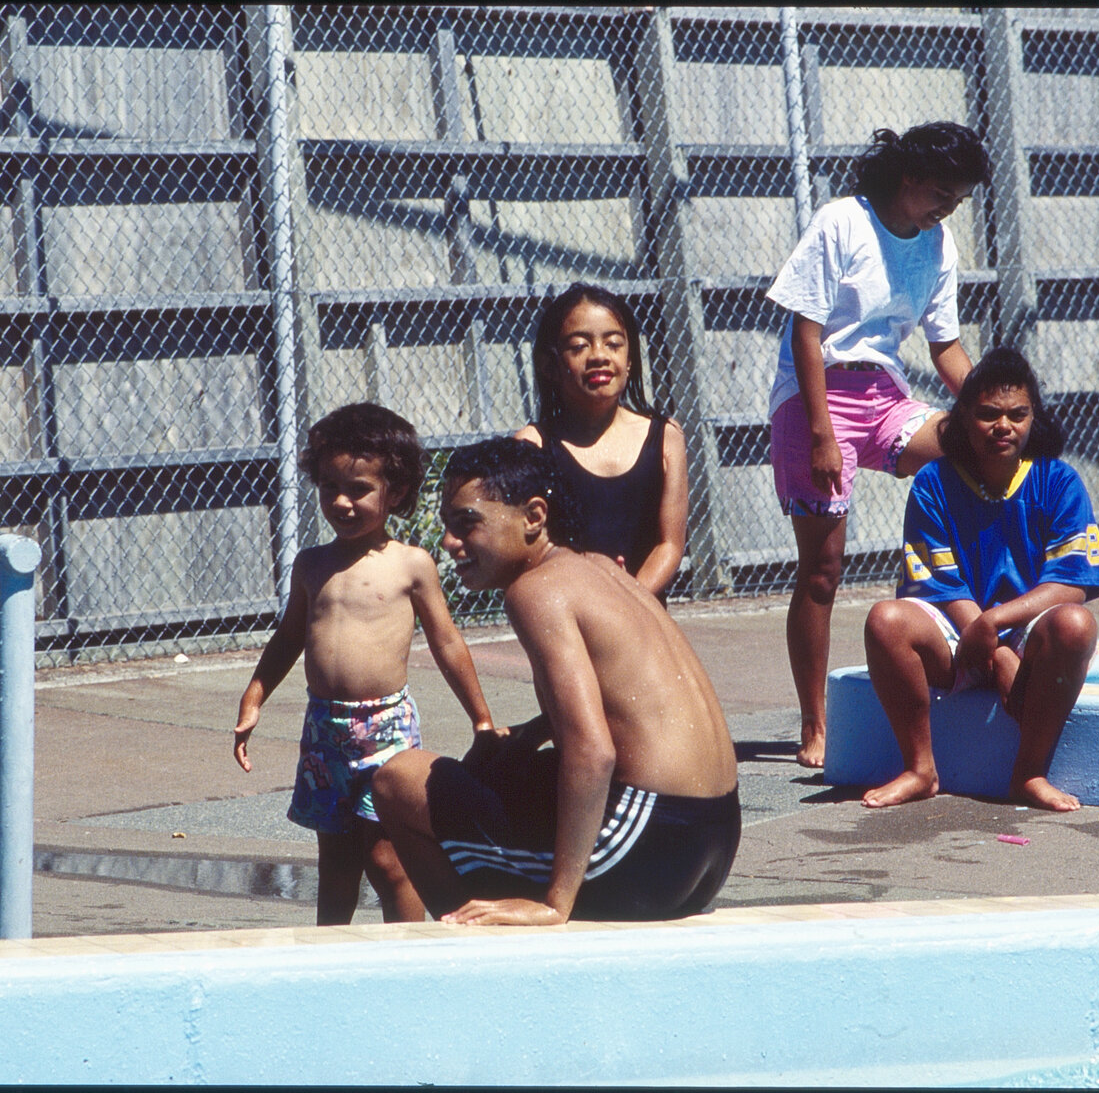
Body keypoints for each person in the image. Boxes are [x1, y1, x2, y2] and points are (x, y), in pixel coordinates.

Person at [371, 438, 740, 925]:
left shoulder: (535, 592)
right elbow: (620, 703)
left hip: (643, 851)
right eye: (446, 525)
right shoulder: (600, 568)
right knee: (501, 771)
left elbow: (593, 750)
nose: (448, 543)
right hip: (713, 840)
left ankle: (466, 941)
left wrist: (554, 903)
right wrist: (526, 738)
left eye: (466, 523)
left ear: (534, 516)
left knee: (399, 780)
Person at [766, 121, 990, 768]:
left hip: (884, 397)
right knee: (822, 569)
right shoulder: (842, 222)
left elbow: (945, 347)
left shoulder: (937, 243)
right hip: (814, 398)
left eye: (958, 200)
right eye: (942, 194)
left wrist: (993, 406)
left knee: (974, 453)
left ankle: (923, 635)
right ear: (909, 176)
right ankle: (815, 723)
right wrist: (821, 435)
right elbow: (805, 333)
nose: (948, 210)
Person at [232, 403, 497, 925]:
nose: (341, 501)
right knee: (335, 862)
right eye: (330, 487)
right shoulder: (312, 564)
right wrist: (254, 695)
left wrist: (481, 718)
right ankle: (330, 955)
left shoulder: (410, 564)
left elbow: (447, 643)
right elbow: (289, 638)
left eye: (358, 489)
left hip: (385, 729)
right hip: (324, 730)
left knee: (387, 859)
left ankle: (406, 951)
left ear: (395, 493)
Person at [860, 348, 1099, 812]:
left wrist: (995, 625)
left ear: (1034, 417)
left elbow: (1072, 581)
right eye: (988, 414)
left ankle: (1029, 773)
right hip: (958, 632)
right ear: (963, 418)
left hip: (1022, 629)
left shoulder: (1059, 480)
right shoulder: (933, 482)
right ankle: (920, 769)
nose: (1004, 426)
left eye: (1018, 414)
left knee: (1076, 625)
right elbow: (938, 582)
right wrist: (991, 650)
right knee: (885, 621)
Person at [516, 283, 689, 601]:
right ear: (550, 365)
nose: (598, 356)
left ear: (630, 359)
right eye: (579, 346)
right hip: (568, 611)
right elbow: (526, 550)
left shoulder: (666, 437)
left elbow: (670, 545)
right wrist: (592, 602)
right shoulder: (533, 446)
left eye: (613, 344)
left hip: (642, 611)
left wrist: (627, 597)